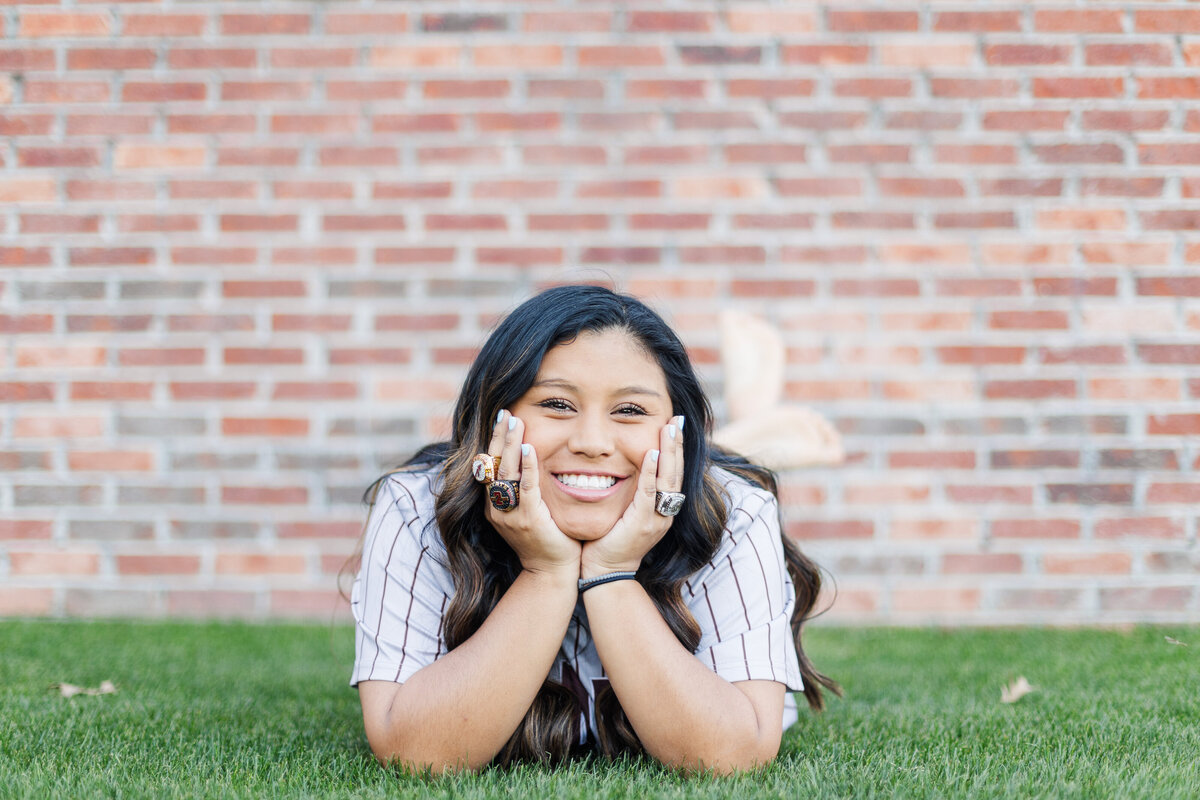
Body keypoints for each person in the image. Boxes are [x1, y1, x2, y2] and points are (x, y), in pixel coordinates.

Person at [348, 285, 838, 773]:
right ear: (495, 415)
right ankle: (743, 432)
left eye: (630, 410)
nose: (592, 442)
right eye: (557, 404)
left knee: (727, 474)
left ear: (676, 429)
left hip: (684, 478)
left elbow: (731, 756)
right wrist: (546, 571)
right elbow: (415, 754)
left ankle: (737, 439)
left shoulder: (738, 513)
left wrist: (612, 571)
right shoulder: (416, 507)